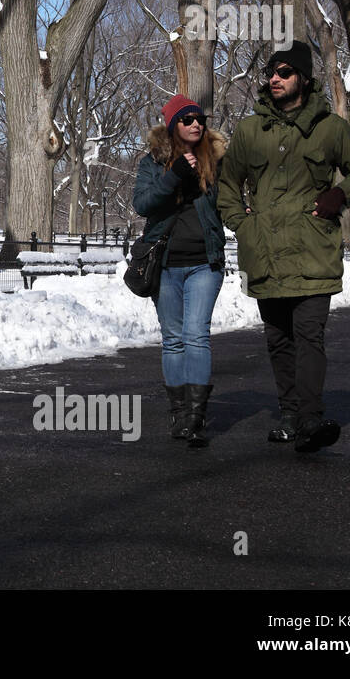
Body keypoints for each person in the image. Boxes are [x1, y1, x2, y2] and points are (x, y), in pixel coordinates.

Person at [217, 40, 350, 452]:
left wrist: (338, 196)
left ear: (303, 79)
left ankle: (310, 417)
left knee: (309, 334)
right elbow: (227, 185)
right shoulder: (251, 130)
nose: (274, 78)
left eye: (284, 72)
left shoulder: (331, 127)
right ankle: (290, 415)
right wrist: (242, 225)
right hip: (264, 251)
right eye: (271, 72)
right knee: (278, 338)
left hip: (313, 251)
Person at [134, 95, 228, 447]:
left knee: (196, 335)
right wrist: (173, 176)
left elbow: (229, 201)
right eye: (187, 119)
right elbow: (142, 203)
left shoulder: (216, 161)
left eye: (199, 118)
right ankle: (178, 415)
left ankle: (196, 416)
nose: (195, 124)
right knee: (173, 340)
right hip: (166, 264)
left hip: (205, 262)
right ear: (173, 124)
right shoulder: (154, 163)